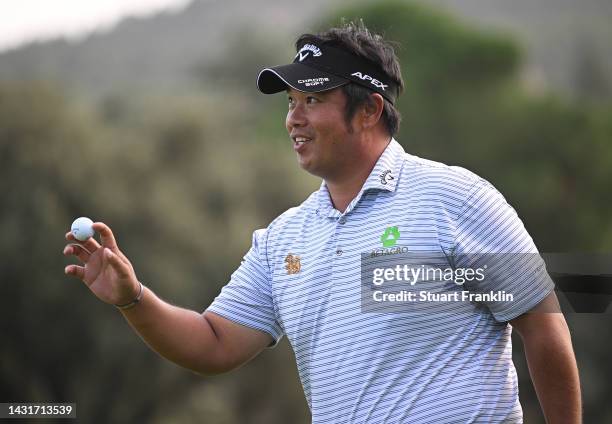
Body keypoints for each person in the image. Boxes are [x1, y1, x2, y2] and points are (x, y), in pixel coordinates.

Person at [63, 22, 581, 423]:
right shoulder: (285, 238)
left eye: (313, 99)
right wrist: (133, 298)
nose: (294, 118)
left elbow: (541, 325)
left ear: (369, 109)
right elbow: (214, 343)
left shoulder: (455, 199)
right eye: (291, 103)